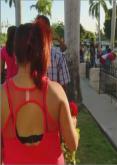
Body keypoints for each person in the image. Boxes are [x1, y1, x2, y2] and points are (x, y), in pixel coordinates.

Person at [1, 22, 78, 164]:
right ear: (43, 52)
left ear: (16, 55)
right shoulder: (56, 92)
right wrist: (72, 123)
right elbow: (72, 145)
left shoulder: (2, 96)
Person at [35, 15, 70, 91]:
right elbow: (64, 88)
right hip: (53, 100)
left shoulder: (28, 56)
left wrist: (57, 38)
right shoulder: (58, 56)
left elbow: (64, 48)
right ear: (49, 30)